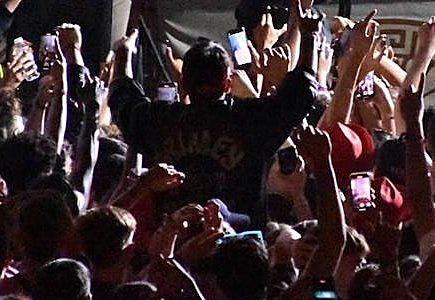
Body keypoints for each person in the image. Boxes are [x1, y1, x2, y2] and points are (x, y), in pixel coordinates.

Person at [106, 25, 324, 224]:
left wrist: (123, 55)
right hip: (239, 244)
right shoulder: (251, 119)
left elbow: (122, 99)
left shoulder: (159, 120)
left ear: (183, 83)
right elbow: (302, 93)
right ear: (228, 83)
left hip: (171, 241)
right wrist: (309, 35)